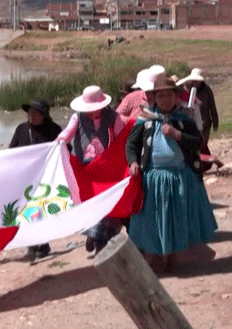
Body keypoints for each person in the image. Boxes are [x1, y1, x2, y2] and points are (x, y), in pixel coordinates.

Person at [126, 73, 218, 274]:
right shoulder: (145, 118)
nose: (165, 100)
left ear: (176, 96)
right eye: (161, 96)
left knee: (177, 218)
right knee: (155, 220)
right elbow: (131, 144)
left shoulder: (185, 118)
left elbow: (198, 143)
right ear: (153, 97)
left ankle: (176, 256)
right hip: (153, 179)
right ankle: (158, 257)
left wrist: (178, 135)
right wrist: (133, 161)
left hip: (179, 177)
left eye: (169, 96)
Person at [59, 85, 129, 254]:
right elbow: (66, 134)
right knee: (89, 206)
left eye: (95, 109)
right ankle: (93, 235)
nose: (92, 112)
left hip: (108, 172)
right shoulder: (77, 118)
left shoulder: (115, 118)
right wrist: (58, 142)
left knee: (108, 208)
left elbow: (122, 139)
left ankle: (100, 241)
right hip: (86, 171)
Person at [9, 98, 64, 260]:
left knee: (43, 211)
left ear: (44, 115)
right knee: (27, 211)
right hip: (25, 178)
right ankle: (32, 244)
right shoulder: (21, 129)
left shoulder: (54, 130)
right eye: (29, 113)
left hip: (46, 178)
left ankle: (43, 244)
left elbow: (65, 149)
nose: (31, 116)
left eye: (35, 113)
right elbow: (12, 151)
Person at [175, 68, 219, 148]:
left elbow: (212, 106)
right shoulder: (186, 88)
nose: (196, 82)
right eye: (194, 80)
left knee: (203, 144)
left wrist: (215, 122)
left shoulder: (207, 90)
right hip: (190, 121)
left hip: (205, 122)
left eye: (197, 80)